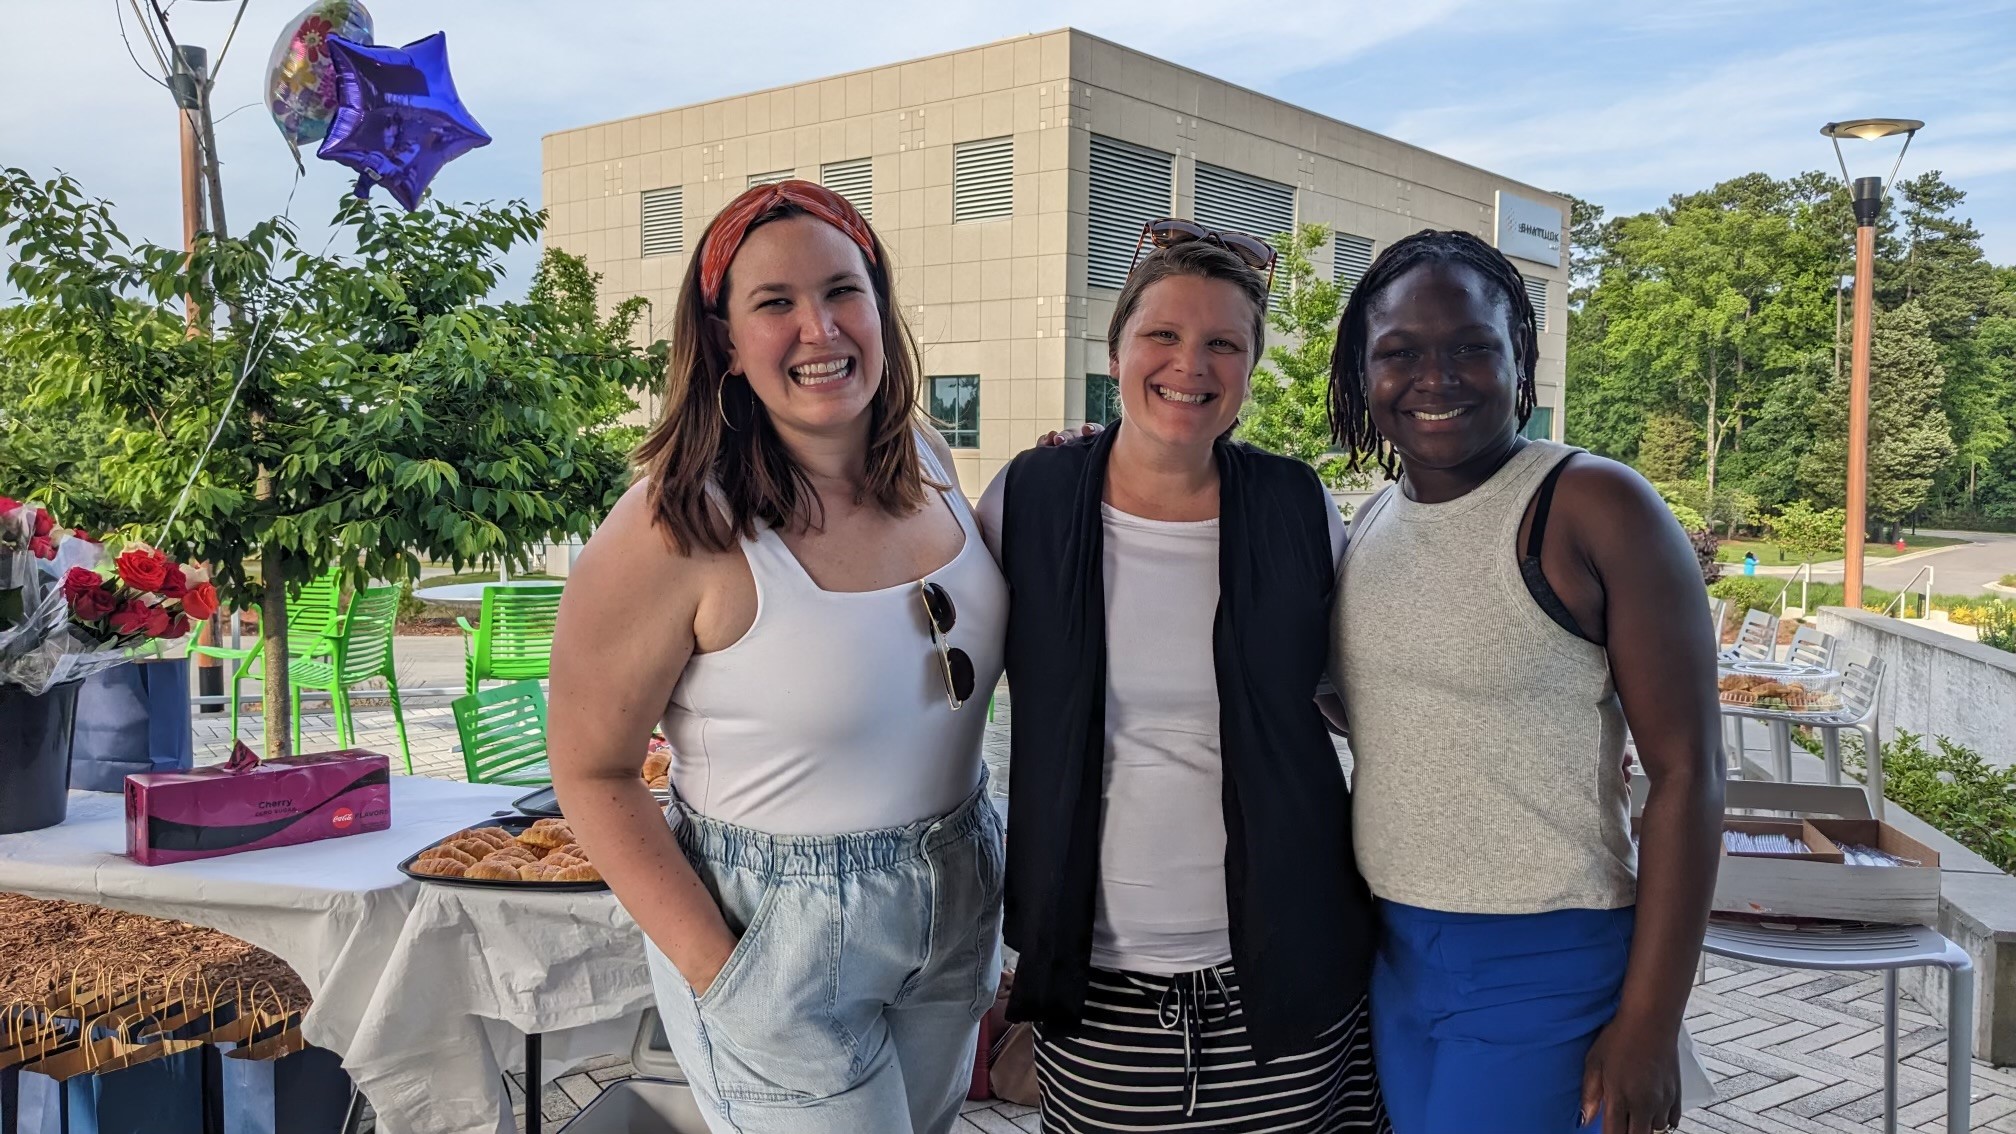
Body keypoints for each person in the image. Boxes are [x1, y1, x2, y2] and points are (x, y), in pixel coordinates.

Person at [547, 180, 1008, 1134]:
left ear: (881, 304)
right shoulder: (674, 524)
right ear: (722, 339)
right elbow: (591, 770)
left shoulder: (930, 460)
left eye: (843, 290)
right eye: (775, 303)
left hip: (955, 896)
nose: (820, 328)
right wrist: (723, 974)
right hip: (778, 935)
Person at [979, 226, 1386, 1134]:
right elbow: (938, 687)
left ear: (1249, 365)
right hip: (1095, 975)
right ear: (1116, 347)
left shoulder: (1295, 505)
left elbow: (1360, 694)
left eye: (1223, 344)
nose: (1188, 365)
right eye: (1161, 335)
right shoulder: (1029, 500)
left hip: (1290, 963)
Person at [1326, 229, 1723, 1134]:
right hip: (1393, 952)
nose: (1437, 377)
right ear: (1362, 372)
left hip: (1546, 960)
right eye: (1400, 353)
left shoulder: (1594, 504)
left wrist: (1651, 1028)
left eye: (1472, 346)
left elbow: (1689, 772)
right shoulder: (1372, 519)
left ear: (1520, 361)